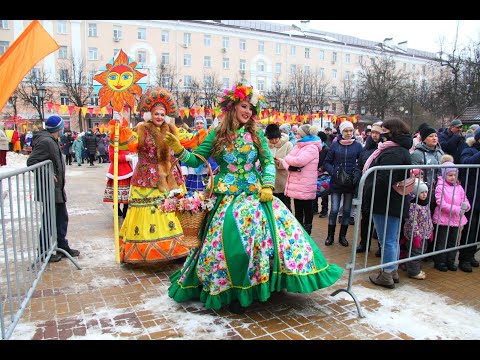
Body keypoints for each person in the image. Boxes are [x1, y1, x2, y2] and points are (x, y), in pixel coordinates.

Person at [164, 83, 343, 314]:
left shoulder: (256, 133)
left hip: (255, 193)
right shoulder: (217, 133)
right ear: (232, 107)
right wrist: (179, 150)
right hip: (226, 197)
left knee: (275, 241)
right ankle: (234, 289)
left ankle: (264, 283)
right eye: (244, 106)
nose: (248, 111)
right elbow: (198, 161)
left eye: (251, 108)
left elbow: (268, 161)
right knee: (230, 244)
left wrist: (268, 185)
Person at [118, 87, 190, 264]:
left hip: (170, 177)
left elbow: (186, 142)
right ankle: (146, 251)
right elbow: (131, 145)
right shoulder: (142, 130)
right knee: (153, 212)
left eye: (162, 114)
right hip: (148, 178)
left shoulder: (172, 129)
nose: (159, 117)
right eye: (156, 113)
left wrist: (205, 135)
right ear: (150, 114)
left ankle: (178, 248)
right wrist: (120, 136)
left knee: (172, 210)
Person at [362, 118, 413, 289]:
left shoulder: (393, 152)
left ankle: (387, 274)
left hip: (385, 201)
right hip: (392, 201)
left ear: (392, 131)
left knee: (388, 240)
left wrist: (368, 191)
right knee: (391, 239)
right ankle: (392, 271)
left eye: (384, 130)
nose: (380, 133)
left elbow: (384, 178)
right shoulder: (399, 150)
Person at [26, 115, 80, 262]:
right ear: (59, 128)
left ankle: (62, 246)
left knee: (61, 218)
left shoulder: (52, 140)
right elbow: (31, 161)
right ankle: (44, 252)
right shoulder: (46, 141)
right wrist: (48, 174)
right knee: (49, 221)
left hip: (56, 188)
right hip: (49, 188)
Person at [323, 120, 363, 247]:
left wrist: (356, 174)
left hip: (350, 183)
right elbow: (327, 162)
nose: (349, 133)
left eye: (351, 131)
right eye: (346, 131)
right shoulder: (335, 145)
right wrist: (334, 172)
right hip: (336, 182)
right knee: (334, 209)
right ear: (341, 131)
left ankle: (342, 236)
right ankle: (330, 236)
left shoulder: (357, 146)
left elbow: (361, 163)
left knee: (346, 211)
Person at [282, 124, 321, 235]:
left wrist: (288, 159)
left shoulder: (312, 147)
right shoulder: (299, 146)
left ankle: (307, 231)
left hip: (306, 184)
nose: (296, 135)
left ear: (303, 135)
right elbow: (288, 162)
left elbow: (298, 161)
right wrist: (289, 166)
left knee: (307, 209)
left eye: (298, 133)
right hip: (297, 184)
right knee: (298, 209)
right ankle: (299, 231)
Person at [432, 162, 470, 272]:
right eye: (450, 175)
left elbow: (465, 199)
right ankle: (440, 261)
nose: (453, 177)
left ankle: (451, 261)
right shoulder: (440, 187)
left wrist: (466, 206)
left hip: (457, 220)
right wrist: (458, 209)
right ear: (444, 175)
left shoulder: (459, 187)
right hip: (443, 219)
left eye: (455, 175)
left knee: (453, 242)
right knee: (442, 241)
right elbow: (441, 203)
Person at [103, 116, 138, 219]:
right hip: (117, 170)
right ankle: (117, 206)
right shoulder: (113, 144)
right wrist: (127, 157)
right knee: (117, 192)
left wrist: (133, 155)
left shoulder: (129, 141)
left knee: (127, 192)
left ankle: (126, 209)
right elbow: (113, 157)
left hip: (128, 170)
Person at [356, 121, 382, 254]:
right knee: (366, 217)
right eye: (373, 133)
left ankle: (381, 246)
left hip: (380, 188)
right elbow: (360, 165)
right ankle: (364, 243)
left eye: (378, 133)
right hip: (367, 187)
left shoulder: (385, 149)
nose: (375, 135)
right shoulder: (366, 149)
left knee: (379, 219)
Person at [401, 180, 433, 280]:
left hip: (424, 234)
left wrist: (430, 230)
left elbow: (428, 218)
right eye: (421, 193)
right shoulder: (413, 206)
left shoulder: (426, 204)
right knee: (415, 252)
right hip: (416, 235)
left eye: (426, 192)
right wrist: (415, 235)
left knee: (422, 251)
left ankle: (411, 267)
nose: (424, 195)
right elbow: (412, 221)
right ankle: (413, 272)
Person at [458, 127, 480, 272]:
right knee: (470, 229)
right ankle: (464, 258)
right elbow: (467, 163)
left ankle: (471, 253)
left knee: (478, 230)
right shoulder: (469, 150)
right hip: (472, 197)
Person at [265, 123, 293, 211]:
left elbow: (291, 162)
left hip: (283, 182)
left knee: (285, 208)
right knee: (271, 209)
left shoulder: (288, 145)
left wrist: (280, 162)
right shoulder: (264, 145)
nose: (273, 141)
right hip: (269, 182)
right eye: (271, 139)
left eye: (275, 138)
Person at [315, 130, 330, 218]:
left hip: (324, 174)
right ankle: (315, 209)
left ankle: (324, 210)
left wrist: (322, 167)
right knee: (315, 191)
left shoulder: (326, 149)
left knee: (324, 193)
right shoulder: (315, 148)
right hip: (315, 173)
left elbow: (328, 161)